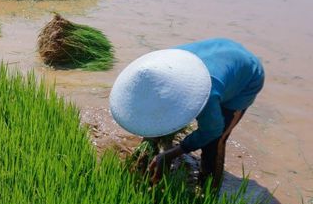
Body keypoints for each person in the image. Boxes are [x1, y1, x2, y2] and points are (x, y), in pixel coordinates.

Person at [109, 38, 265, 189]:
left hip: (246, 77)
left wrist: (172, 154)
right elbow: (154, 111)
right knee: (158, 116)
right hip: (219, 51)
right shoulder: (161, 65)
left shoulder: (208, 93)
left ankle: (208, 192)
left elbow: (212, 130)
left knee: (215, 141)